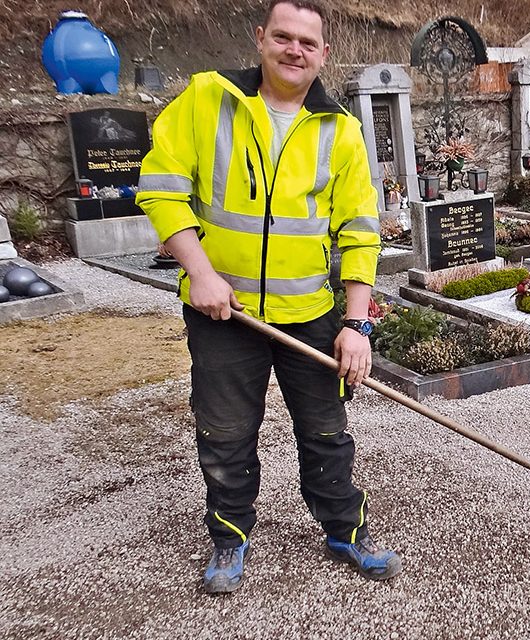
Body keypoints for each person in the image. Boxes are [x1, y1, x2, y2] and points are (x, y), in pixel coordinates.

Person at [136, 0, 401, 594]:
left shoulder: (341, 130)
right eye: (283, 37)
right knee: (226, 433)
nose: (295, 51)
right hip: (222, 314)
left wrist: (355, 324)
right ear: (260, 39)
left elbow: (360, 230)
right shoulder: (209, 99)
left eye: (308, 43)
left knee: (328, 432)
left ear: (324, 54)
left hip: (308, 315)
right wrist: (200, 272)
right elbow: (160, 188)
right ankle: (230, 538)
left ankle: (344, 531)